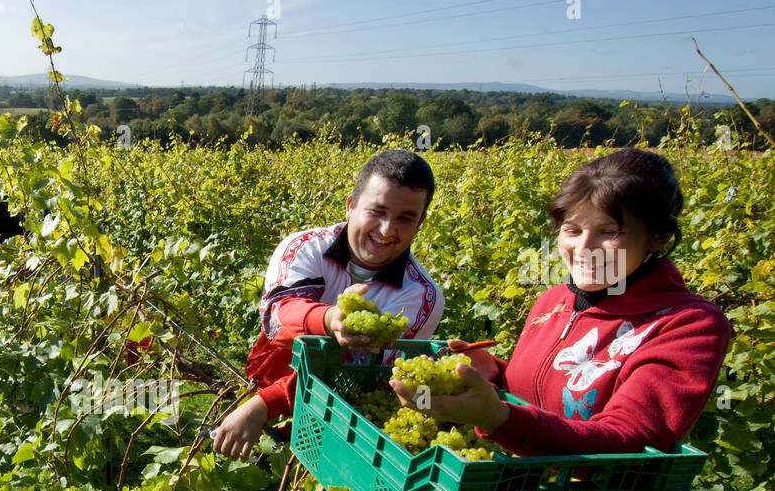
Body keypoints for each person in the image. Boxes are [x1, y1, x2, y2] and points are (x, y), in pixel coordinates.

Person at [389, 147, 732, 457]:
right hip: (510, 486)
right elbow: (538, 398)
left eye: (609, 232)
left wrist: (495, 417)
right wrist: (493, 372)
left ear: (658, 237)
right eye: (572, 230)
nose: (584, 249)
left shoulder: (687, 325)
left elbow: (630, 443)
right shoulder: (553, 301)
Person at [213, 150, 445, 460]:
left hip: (335, 410)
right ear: (351, 206)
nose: (387, 230)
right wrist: (328, 320)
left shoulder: (420, 296)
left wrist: (265, 405)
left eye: (405, 218)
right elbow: (277, 318)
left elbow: (367, 380)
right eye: (377, 211)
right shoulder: (306, 247)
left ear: (420, 223)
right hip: (265, 380)